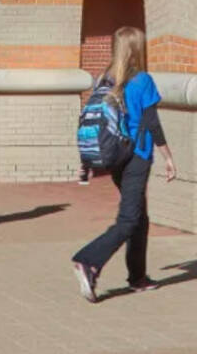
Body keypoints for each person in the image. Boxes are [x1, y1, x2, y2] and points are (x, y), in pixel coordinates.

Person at [70, 26, 176, 302]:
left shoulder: (104, 79)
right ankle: (88, 260)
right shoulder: (143, 80)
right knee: (130, 219)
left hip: (114, 156)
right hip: (136, 156)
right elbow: (152, 123)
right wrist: (168, 157)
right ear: (138, 49)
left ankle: (137, 277)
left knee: (139, 217)